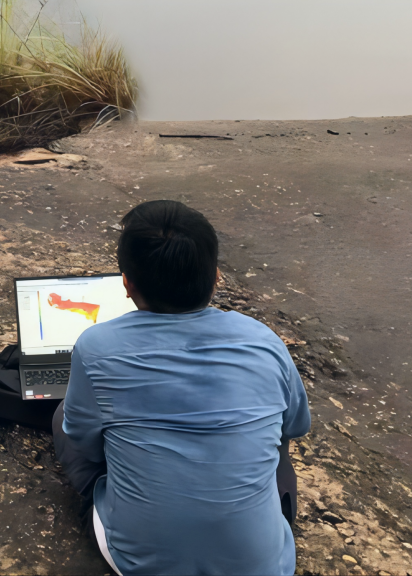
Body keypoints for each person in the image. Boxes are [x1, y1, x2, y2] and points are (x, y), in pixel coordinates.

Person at [52, 200, 310, 575]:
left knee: (64, 416)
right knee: (275, 445)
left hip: (140, 564)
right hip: (265, 566)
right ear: (217, 275)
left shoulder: (96, 346)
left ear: (127, 284)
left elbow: (86, 443)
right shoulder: (262, 340)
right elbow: (296, 426)